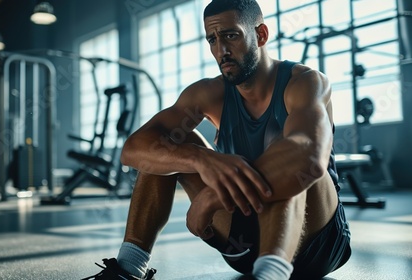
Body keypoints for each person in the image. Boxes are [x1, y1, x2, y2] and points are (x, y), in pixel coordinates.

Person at [81, 0, 351, 279]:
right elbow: (132, 150)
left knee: (290, 157)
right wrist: (200, 157)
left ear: (260, 35)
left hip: (318, 243)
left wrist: (211, 197)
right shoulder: (209, 93)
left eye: (231, 36)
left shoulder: (304, 82)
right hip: (244, 244)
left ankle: (272, 272)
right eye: (212, 39)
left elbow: (310, 159)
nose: (221, 50)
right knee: (167, 143)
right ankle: (128, 268)